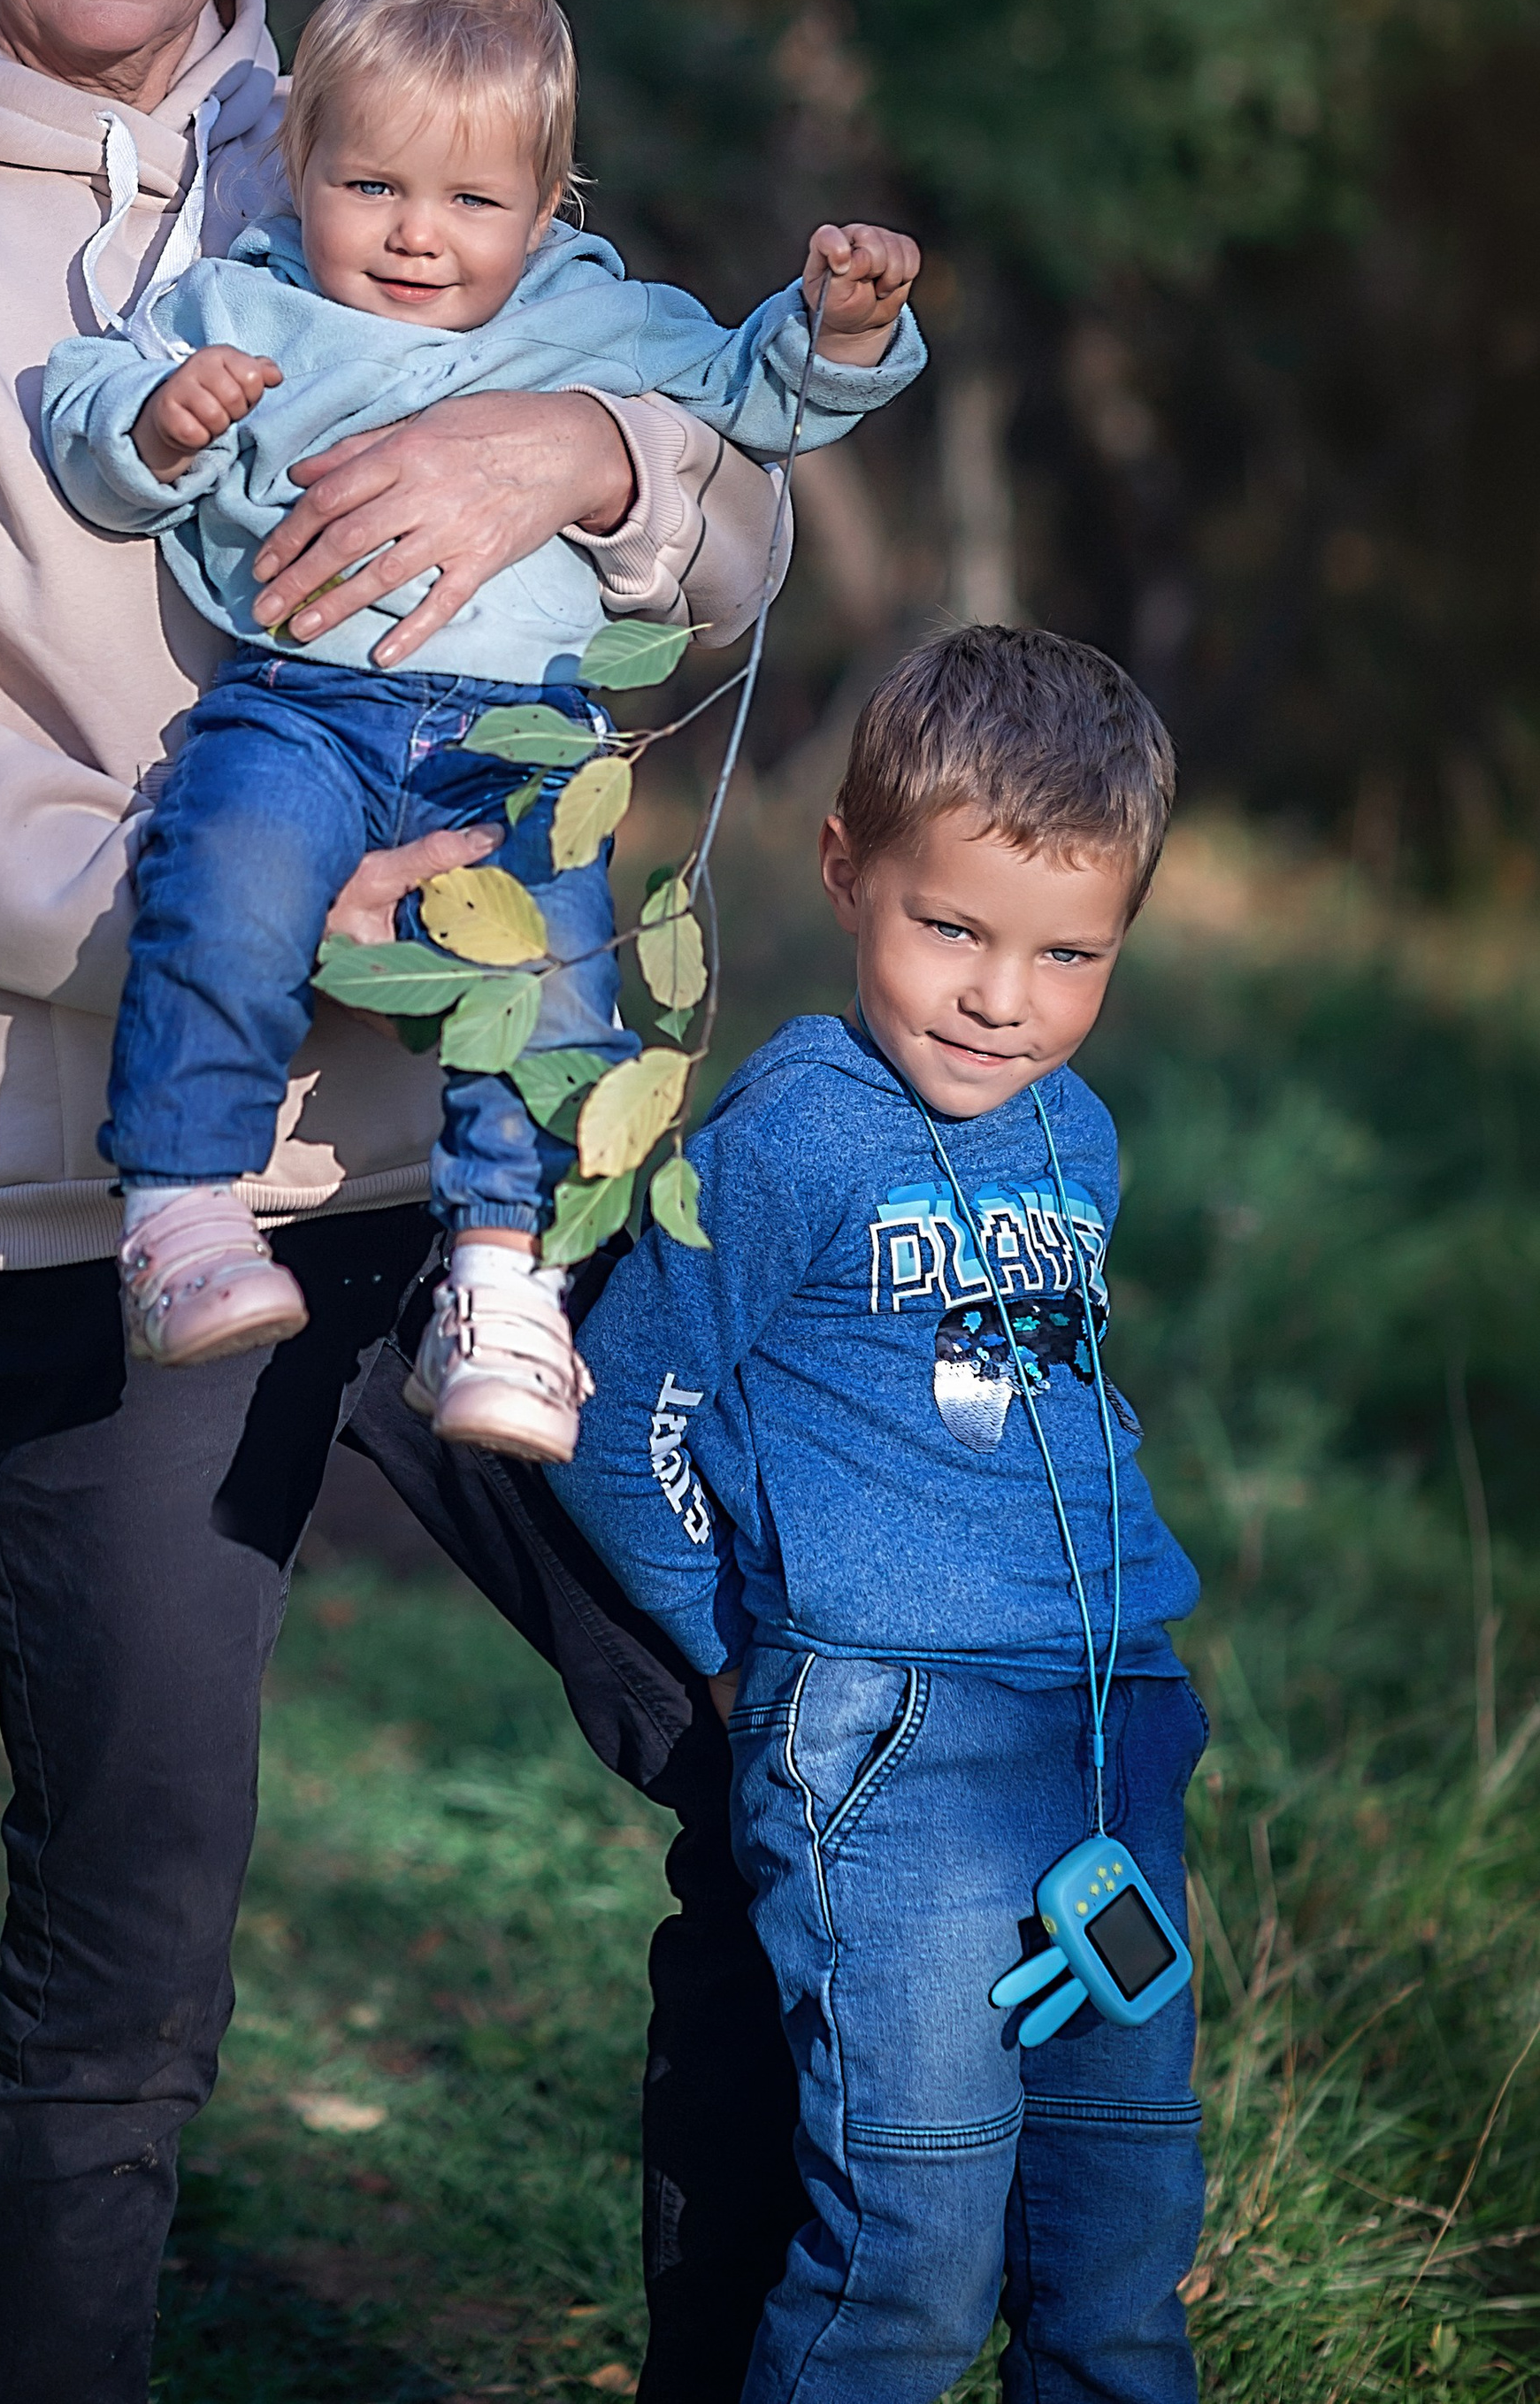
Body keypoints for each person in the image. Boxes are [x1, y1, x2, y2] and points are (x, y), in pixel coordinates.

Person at [0, 0, 896, 2403]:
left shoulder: (381, 113)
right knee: (130, 1969)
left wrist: (561, 446)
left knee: (784, 1754)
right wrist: (202, 899)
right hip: (108, 1190)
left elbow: (724, 535)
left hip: (494, 1148)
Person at [40, 0, 923, 1458]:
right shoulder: (241, 302)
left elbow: (747, 403)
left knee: (559, 965)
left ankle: (503, 1284)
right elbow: (84, 404)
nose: (417, 240)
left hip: (517, 736)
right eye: (372, 187)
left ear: (551, 200)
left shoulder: (597, 316)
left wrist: (835, 329)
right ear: (299, 159)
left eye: (474, 203)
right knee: (222, 882)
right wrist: (156, 419)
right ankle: (182, 1213)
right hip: (300, 702)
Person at [552, 626, 1207, 2404]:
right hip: (883, 1739)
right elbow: (624, 1419)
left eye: (1065, 953)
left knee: (1120, 2229)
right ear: (845, 872)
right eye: (953, 929)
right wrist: (725, 1653)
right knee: (907, 2246)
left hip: (1100, 1724)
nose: (1002, 996)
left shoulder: (1074, 1141)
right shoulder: (788, 1135)